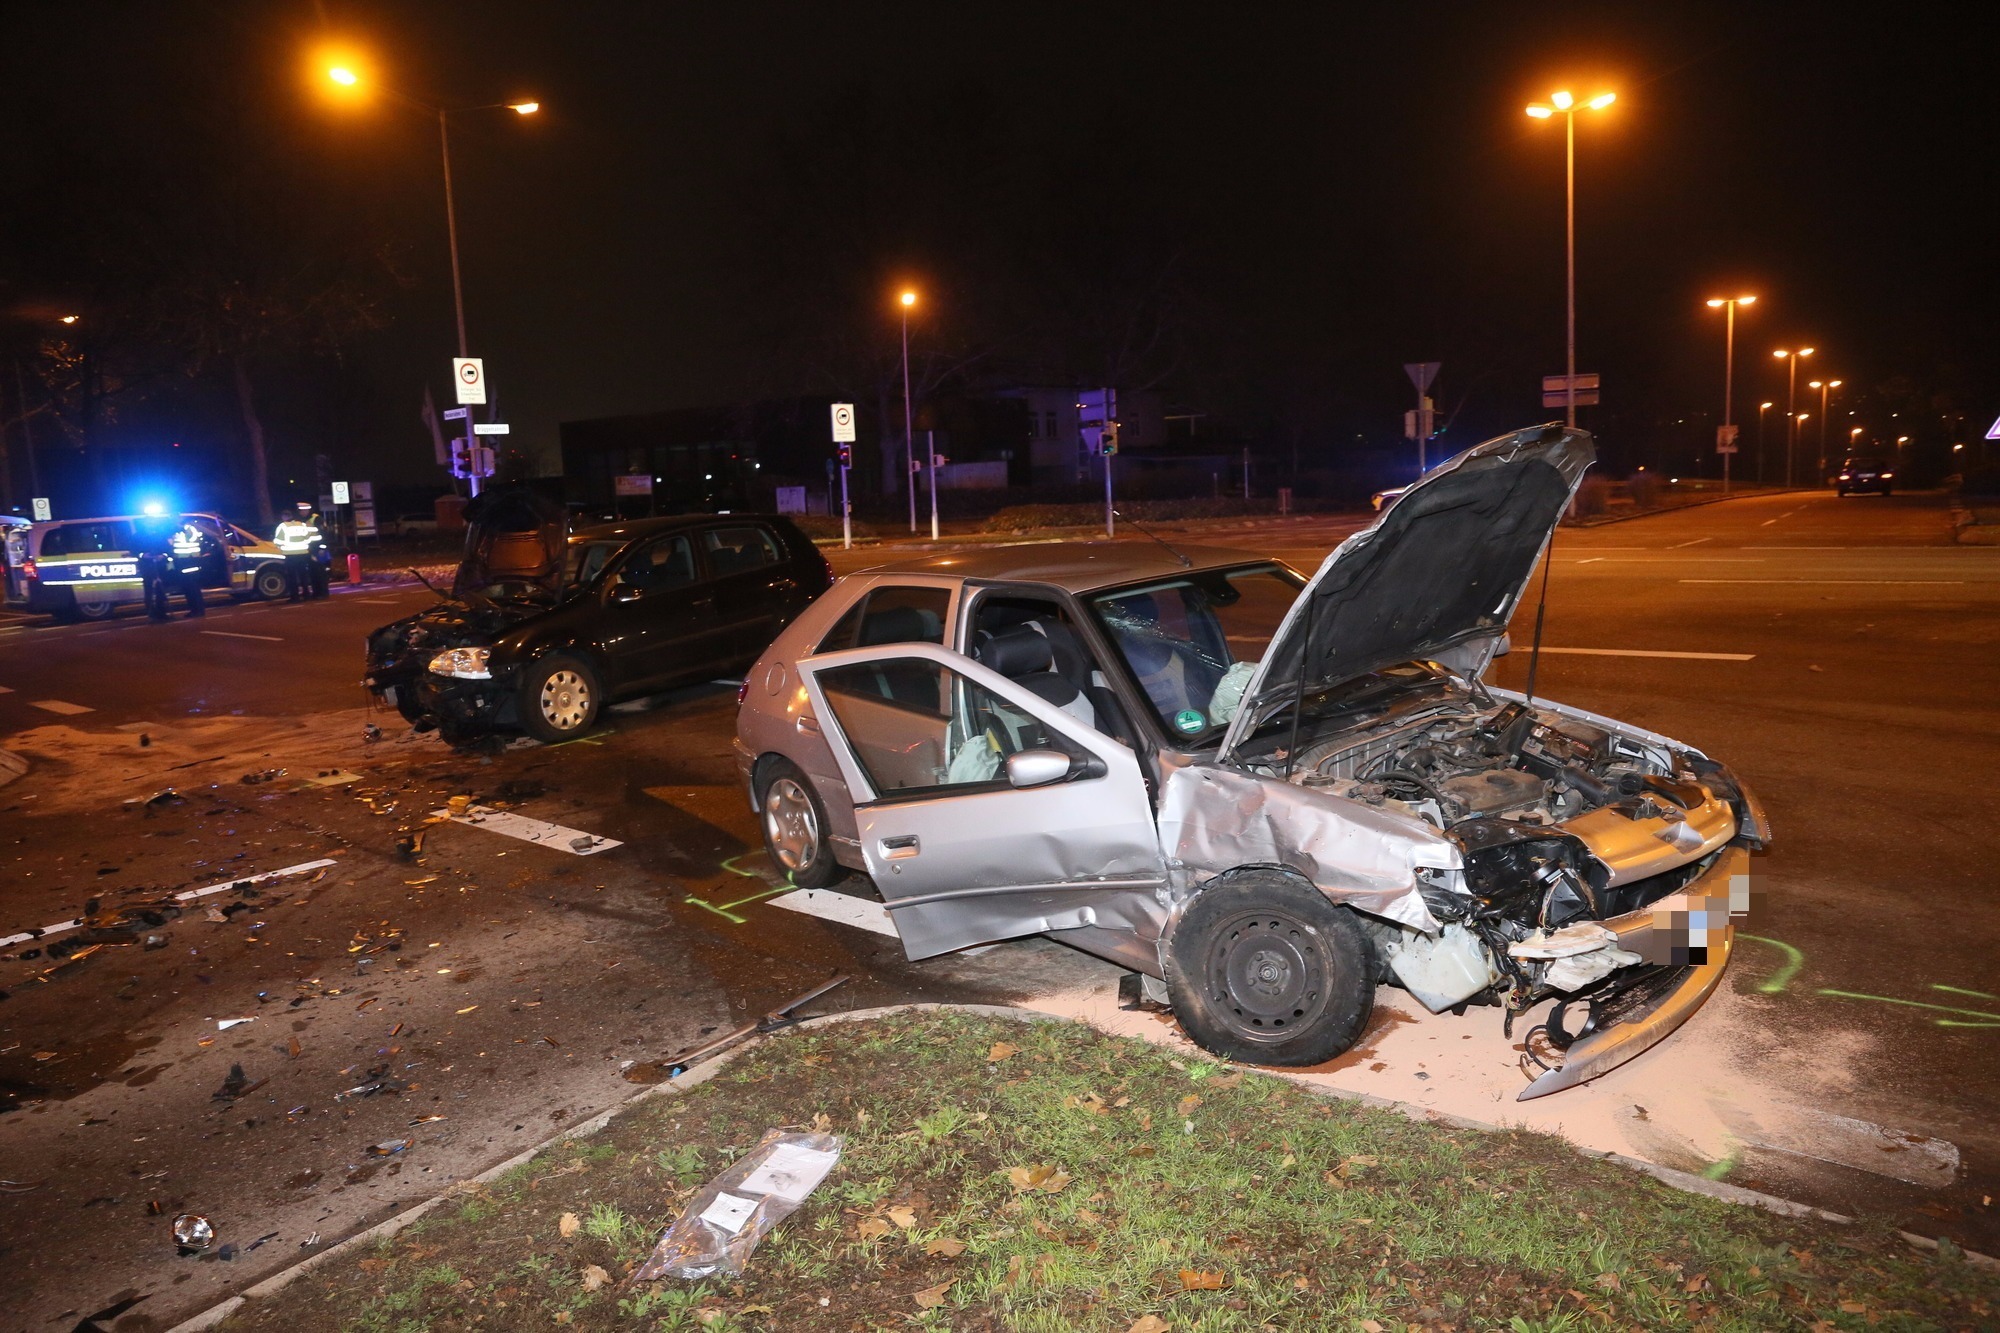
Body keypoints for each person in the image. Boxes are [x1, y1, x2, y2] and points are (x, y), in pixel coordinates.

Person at [133, 513, 178, 622]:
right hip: (147, 566)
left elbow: (169, 551)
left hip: (160, 566)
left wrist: (162, 556)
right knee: (149, 591)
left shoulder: (160, 535)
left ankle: (162, 613)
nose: (150, 524)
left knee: (160, 591)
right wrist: (144, 555)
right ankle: (151, 614)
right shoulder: (137, 536)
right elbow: (134, 551)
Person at [169, 520, 216, 617]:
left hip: (190, 561)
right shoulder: (177, 530)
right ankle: (195, 610)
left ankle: (197, 610)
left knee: (193, 588)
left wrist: (180, 531)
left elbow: (191, 539)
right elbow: (172, 544)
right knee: (188, 588)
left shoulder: (189, 529)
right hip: (183, 561)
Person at [273, 502, 318, 601]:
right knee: (303, 575)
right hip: (303, 554)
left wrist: (281, 548)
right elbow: (309, 538)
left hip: (290, 555)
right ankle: (306, 594)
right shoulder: (301, 525)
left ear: (284, 517)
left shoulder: (282, 526)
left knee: (292, 576)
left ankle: (295, 596)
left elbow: (278, 541)